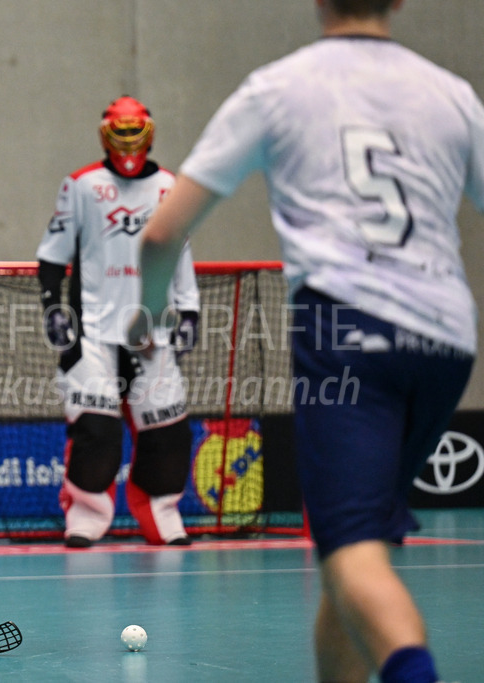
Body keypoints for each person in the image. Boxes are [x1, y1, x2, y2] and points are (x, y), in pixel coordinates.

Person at [129, 1, 484, 681]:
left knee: (351, 552)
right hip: (447, 340)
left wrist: (148, 316)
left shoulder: (278, 89)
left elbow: (162, 233)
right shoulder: (453, 94)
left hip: (348, 333)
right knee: (357, 552)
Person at [36, 96, 200, 548]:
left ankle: (163, 517)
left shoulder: (172, 186)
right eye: (119, 132)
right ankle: (86, 518)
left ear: (148, 133)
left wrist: (190, 310)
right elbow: (52, 256)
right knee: (97, 433)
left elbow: (180, 253)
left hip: (155, 332)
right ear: (105, 134)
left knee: (169, 436)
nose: (128, 142)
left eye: (135, 131)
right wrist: (54, 307)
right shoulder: (81, 186)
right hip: (93, 335)